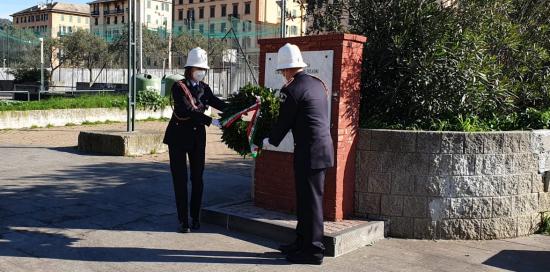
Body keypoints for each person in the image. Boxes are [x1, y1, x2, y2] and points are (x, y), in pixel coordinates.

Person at [263, 43, 334, 265]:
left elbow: (284, 123)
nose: (283, 74)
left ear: (287, 69)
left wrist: (266, 140)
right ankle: (301, 242)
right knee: (306, 200)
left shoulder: (291, 90)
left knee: (311, 202)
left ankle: (313, 251)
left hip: (309, 152)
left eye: (283, 70)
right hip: (320, 149)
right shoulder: (317, 83)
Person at [163, 47, 227, 233]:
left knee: (198, 178)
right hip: (178, 137)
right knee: (180, 179)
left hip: (198, 137)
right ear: (190, 68)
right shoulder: (178, 87)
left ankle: (195, 217)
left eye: (204, 69)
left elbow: (218, 103)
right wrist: (211, 121)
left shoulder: (204, 88)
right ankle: (183, 220)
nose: (202, 72)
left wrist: (242, 105)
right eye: (199, 68)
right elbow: (186, 110)